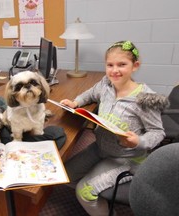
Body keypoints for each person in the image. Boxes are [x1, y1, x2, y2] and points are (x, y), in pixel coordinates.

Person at [60, 40, 169, 216]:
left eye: (122, 64)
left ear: (135, 66)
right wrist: (76, 102)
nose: (114, 70)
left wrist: (138, 141)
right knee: (63, 176)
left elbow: (158, 132)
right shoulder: (105, 85)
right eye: (110, 65)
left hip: (126, 158)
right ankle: (100, 197)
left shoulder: (144, 99)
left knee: (83, 191)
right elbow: (90, 94)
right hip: (99, 148)